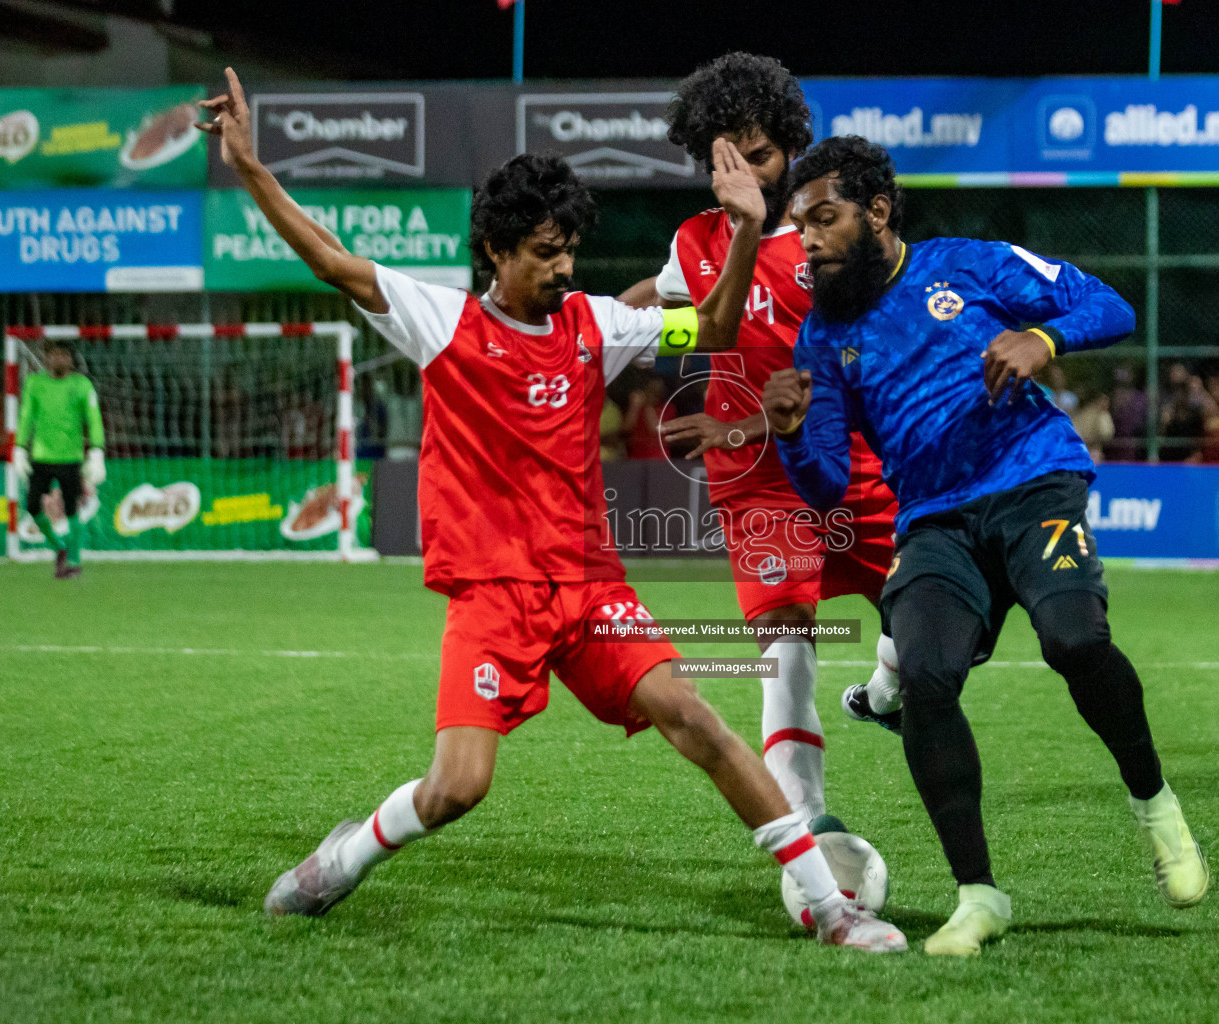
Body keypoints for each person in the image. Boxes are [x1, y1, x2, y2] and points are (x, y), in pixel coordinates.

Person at [198, 66, 903, 951]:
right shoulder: (440, 322)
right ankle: (343, 859)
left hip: (590, 592)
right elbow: (329, 260)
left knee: (697, 719)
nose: (564, 267)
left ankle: (827, 908)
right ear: (495, 251)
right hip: (494, 597)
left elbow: (713, 331)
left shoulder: (594, 325)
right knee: (457, 788)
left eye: (569, 248)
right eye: (543, 250)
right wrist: (254, 169)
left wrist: (748, 230)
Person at [762, 136, 1208, 957]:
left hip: (1033, 479)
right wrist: (790, 432)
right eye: (800, 226)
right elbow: (825, 482)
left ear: (879, 213)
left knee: (1075, 639)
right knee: (926, 680)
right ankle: (980, 895)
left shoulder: (968, 266)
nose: (809, 240)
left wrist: (1045, 340)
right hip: (935, 520)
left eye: (825, 219)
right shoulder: (822, 339)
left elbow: (1108, 304)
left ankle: (1155, 804)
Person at [619, 53, 904, 833]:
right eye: (726, 154)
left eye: (760, 152)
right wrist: (591, 327)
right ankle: (809, 830)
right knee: (786, 653)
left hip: (851, 463)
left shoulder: (833, 233)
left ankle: (886, 691)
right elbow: (669, 300)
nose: (745, 169)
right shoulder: (698, 239)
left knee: (937, 626)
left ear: (791, 147)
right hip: (756, 482)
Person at [13, 339, 107, 579]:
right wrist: (20, 448)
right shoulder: (35, 383)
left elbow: (93, 418)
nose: (58, 359)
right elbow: (26, 417)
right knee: (33, 506)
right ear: (46, 358)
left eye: (63, 355)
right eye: (54, 355)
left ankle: (74, 560)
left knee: (73, 509)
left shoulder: (82, 385)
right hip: (42, 457)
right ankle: (59, 547)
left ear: (71, 360)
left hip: (70, 459)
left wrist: (97, 450)